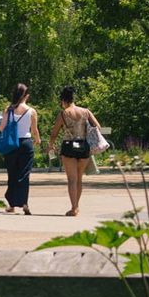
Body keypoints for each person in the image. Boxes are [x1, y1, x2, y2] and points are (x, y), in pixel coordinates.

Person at [48, 86, 101, 216]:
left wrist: (51, 145)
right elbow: (97, 126)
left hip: (69, 146)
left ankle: (74, 208)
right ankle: (77, 206)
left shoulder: (63, 114)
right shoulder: (85, 112)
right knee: (79, 179)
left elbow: (54, 132)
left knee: (72, 179)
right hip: (83, 147)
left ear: (63, 100)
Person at [0, 84, 40, 214]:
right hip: (26, 143)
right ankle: (25, 203)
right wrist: (37, 139)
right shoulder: (32, 111)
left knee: (12, 173)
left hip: (11, 144)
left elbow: (1, 127)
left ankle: (11, 205)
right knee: (24, 174)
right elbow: (34, 130)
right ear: (26, 95)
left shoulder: (8, 109)